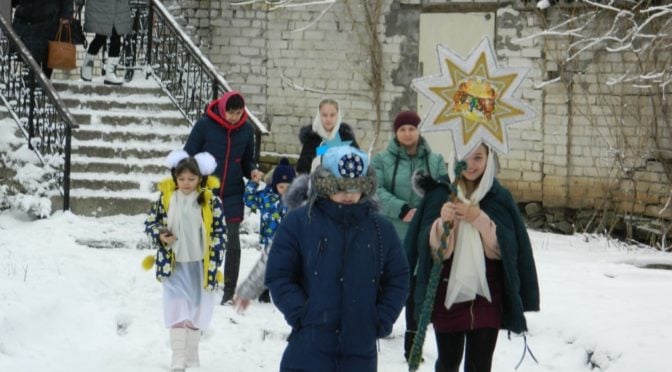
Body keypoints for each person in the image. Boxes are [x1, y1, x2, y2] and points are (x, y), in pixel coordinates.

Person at [265, 146, 409, 372]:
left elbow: (398, 277)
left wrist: (381, 317)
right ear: (326, 184)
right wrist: (301, 311)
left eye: (357, 187)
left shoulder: (380, 229)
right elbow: (279, 274)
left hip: (359, 351)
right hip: (309, 349)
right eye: (341, 187)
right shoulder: (300, 222)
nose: (349, 195)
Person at [405, 143, 540, 372]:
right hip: (446, 294)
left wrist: (478, 218)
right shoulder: (439, 193)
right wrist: (442, 224)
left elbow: (506, 249)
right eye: (464, 158)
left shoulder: (498, 196)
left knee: (480, 365)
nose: (470, 165)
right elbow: (430, 249)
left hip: (487, 294)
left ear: (489, 159)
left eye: (478, 158)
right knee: (448, 362)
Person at [371, 110, 448, 361]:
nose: (407, 133)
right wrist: (400, 209)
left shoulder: (435, 160)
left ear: (418, 131)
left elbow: (444, 189)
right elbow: (374, 189)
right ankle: (377, 327)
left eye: (411, 129)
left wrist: (428, 209)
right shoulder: (382, 160)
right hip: (393, 231)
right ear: (396, 132)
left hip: (424, 233)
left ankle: (413, 347)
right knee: (390, 284)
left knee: (417, 289)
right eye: (402, 129)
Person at [143, 150, 226, 371]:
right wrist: (161, 234)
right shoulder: (167, 199)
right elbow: (151, 222)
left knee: (197, 310)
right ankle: (178, 357)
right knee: (177, 307)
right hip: (174, 264)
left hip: (200, 265)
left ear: (200, 178)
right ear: (175, 178)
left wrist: (214, 251)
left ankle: (192, 354)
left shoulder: (210, 201)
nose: (186, 183)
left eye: (191, 179)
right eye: (181, 179)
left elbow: (220, 231)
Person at [184, 91, 263, 305]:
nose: (234, 117)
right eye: (231, 112)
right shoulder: (205, 125)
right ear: (222, 108)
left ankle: (229, 292)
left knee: (233, 242)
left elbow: (248, 161)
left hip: (232, 193)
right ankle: (201, 284)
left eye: (238, 113)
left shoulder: (247, 130)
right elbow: (188, 153)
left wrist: (253, 171)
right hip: (206, 192)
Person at [233, 157, 296, 311]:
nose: (285, 190)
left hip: (289, 241)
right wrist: (253, 184)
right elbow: (249, 200)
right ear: (275, 184)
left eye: (289, 187)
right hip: (269, 239)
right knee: (269, 266)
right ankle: (266, 291)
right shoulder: (266, 197)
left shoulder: (296, 201)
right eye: (281, 186)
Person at [11, 0, 73, 79]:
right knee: (31, 60)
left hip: (49, 21)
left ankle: (42, 86)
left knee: (46, 58)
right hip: (30, 22)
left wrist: (66, 15)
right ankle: (33, 86)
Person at [296, 98, 359, 174]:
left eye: (332, 115)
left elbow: (357, 162)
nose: (328, 119)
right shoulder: (312, 137)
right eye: (324, 115)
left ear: (338, 115)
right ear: (319, 115)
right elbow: (303, 168)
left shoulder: (345, 136)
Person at [75, 0, 131, 85]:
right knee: (101, 36)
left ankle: (110, 72)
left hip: (118, 6)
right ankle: (87, 66)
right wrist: (78, 2)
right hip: (101, 5)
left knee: (116, 34)